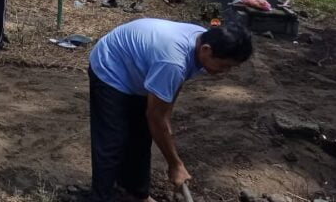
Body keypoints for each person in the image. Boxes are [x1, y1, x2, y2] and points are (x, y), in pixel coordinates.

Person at [88, 19, 253, 202]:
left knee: (141, 136)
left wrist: (165, 116)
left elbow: (175, 84)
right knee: (113, 140)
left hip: (141, 66)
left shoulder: (201, 40)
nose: (225, 72)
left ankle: (137, 193)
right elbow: (156, 116)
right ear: (206, 49)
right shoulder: (173, 60)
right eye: (224, 66)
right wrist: (175, 164)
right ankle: (101, 197)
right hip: (111, 66)